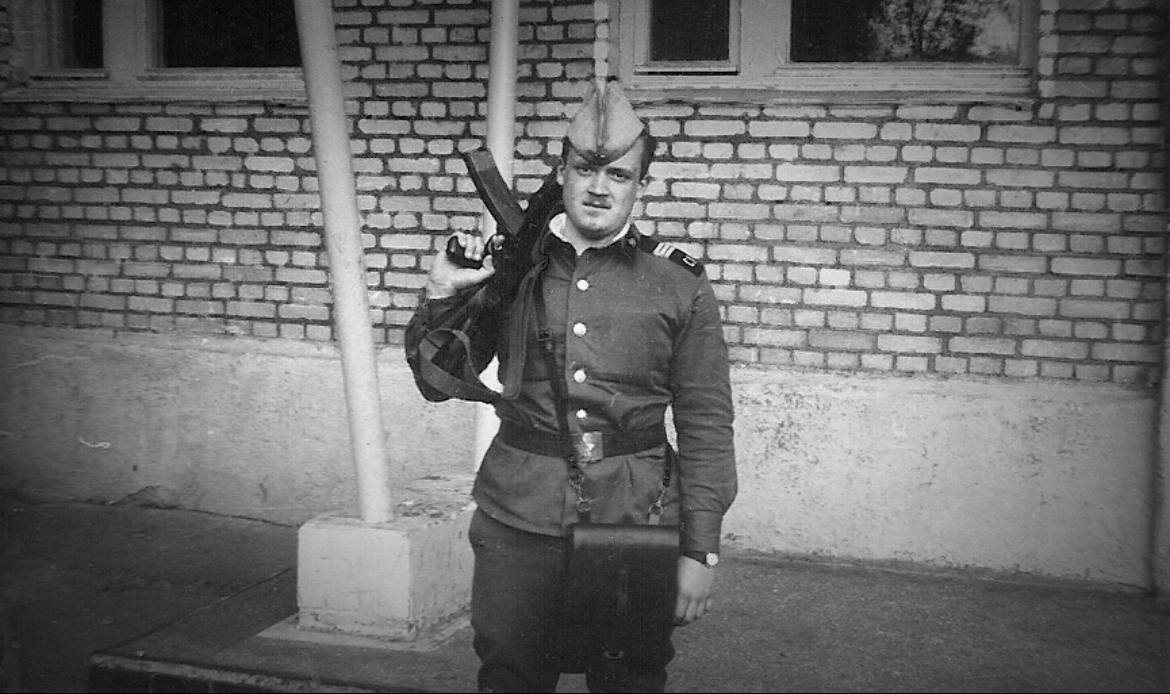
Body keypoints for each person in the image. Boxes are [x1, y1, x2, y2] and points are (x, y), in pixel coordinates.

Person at [404, 79, 736, 693]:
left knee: (629, 678)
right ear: (561, 172)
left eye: (619, 175)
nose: (599, 187)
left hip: (636, 517)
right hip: (518, 517)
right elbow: (436, 382)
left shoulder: (677, 283)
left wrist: (700, 550)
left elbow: (707, 423)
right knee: (510, 676)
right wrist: (441, 293)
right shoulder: (514, 269)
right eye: (585, 169)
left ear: (640, 185)